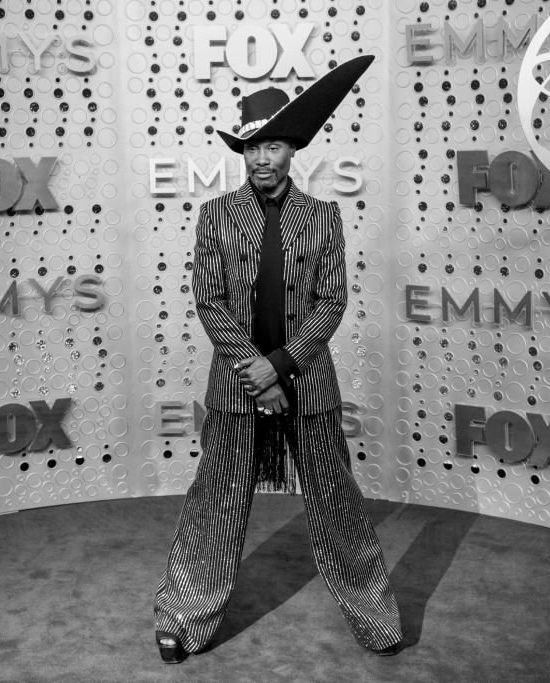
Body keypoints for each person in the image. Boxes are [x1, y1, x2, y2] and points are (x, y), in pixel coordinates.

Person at [152, 55, 403, 663]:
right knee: (215, 499)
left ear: (294, 149)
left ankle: (375, 616)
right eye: (253, 147)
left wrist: (281, 366)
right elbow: (209, 302)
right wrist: (253, 370)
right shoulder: (215, 215)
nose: (263, 158)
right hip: (236, 390)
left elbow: (333, 300)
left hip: (308, 386)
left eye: (275, 145)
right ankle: (183, 618)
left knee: (336, 501)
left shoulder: (323, 216)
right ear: (242, 152)